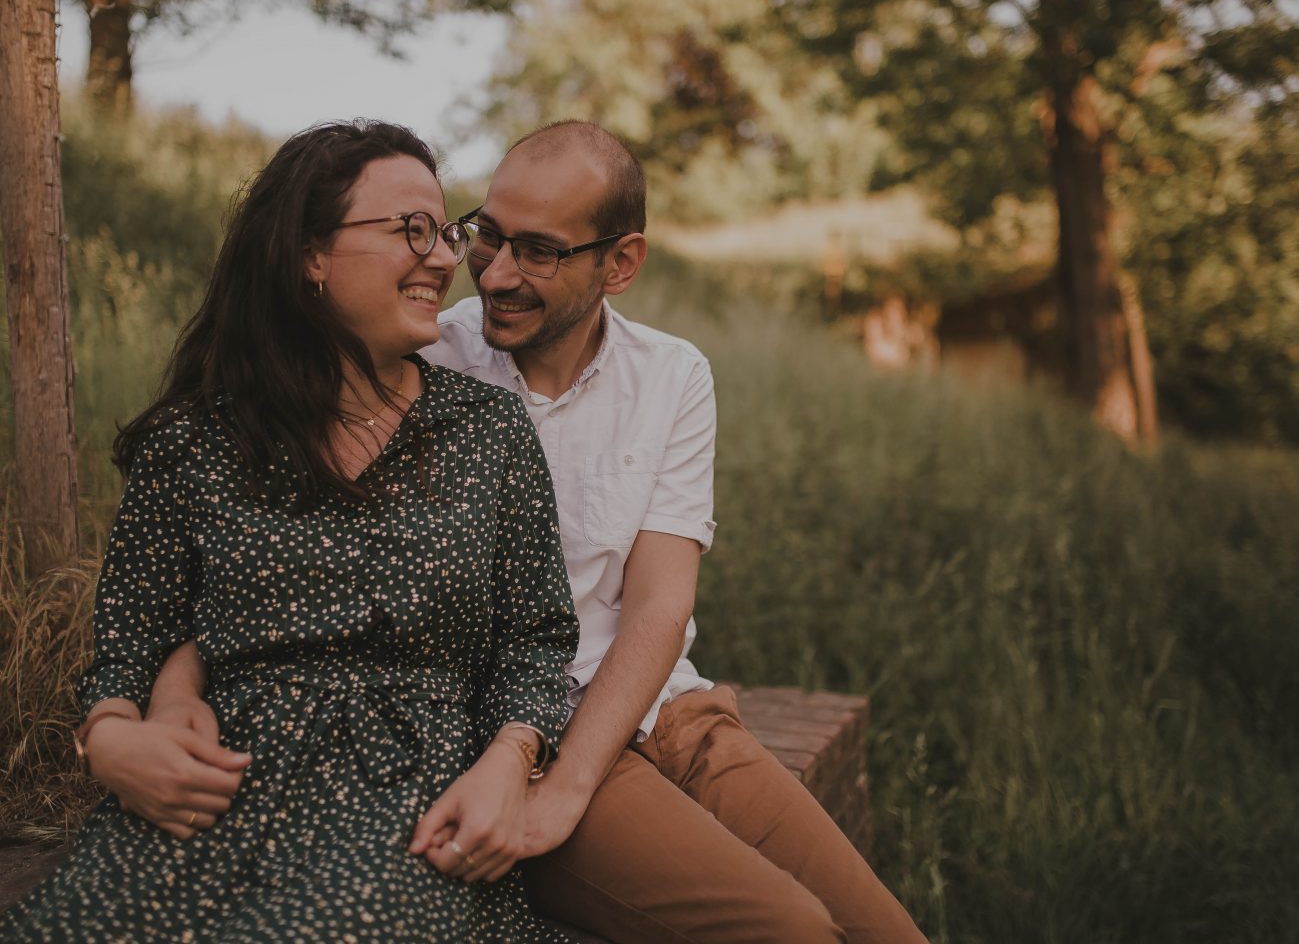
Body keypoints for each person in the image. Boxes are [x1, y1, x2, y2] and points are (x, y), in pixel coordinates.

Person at [148, 121, 928, 943]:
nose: (497, 275)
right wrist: (555, 787)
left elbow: (660, 606)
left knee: (886, 932)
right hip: (520, 731)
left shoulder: (670, 375)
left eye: (542, 251)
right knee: (792, 929)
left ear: (620, 263)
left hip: (664, 709)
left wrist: (576, 785)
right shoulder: (423, 361)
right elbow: (298, 576)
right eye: (488, 236)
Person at [0, 120, 579, 942]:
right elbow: (128, 641)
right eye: (411, 229)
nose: (445, 258)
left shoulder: (487, 431)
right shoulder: (194, 442)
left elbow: (537, 640)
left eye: (446, 231)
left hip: (412, 805)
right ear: (309, 255)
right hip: (211, 799)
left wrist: (508, 764)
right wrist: (113, 740)